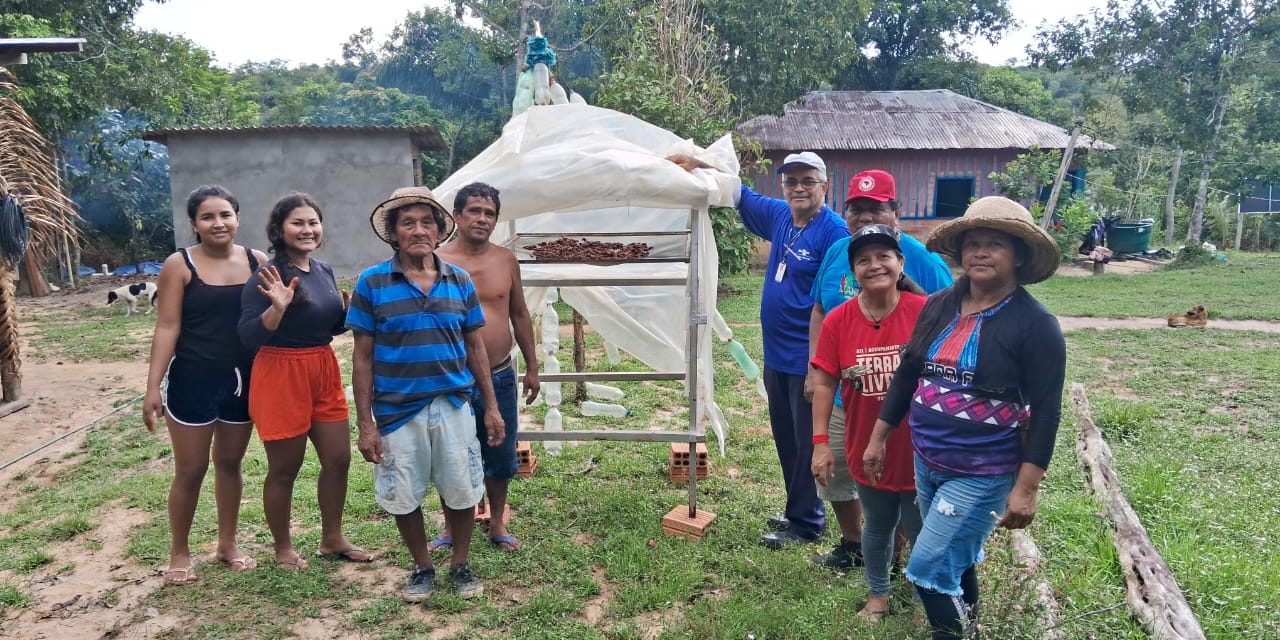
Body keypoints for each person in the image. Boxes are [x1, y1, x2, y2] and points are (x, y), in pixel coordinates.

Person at [863, 197, 1066, 640]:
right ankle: (968, 627)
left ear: (1019, 256)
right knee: (957, 558)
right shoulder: (939, 305)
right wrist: (879, 437)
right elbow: (908, 373)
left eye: (995, 243)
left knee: (926, 568)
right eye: (973, 243)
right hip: (928, 460)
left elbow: (1047, 411)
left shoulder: (1036, 325)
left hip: (982, 471)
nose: (981, 252)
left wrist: (1027, 489)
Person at [670, 151, 850, 548]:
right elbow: (736, 190)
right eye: (791, 181)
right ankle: (795, 509)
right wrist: (698, 163)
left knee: (807, 440)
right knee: (786, 437)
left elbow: (835, 306)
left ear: (825, 185)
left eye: (807, 181)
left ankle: (807, 523)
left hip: (808, 360)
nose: (798, 188)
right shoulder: (781, 216)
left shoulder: (835, 233)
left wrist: (817, 367)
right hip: (777, 354)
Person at [347, 186, 505, 601]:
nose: (418, 230)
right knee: (403, 493)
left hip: (454, 405)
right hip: (398, 410)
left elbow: (475, 347)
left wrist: (491, 406)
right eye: (407, 223)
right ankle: (422, 566)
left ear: (438, 231)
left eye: (426, 223)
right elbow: (362, 358)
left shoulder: (459, 281)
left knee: (462, 488)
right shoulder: (372, 282)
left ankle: (460, 564)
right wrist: (366, 424)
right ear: (393, 233)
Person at [805, 169, 952, 569]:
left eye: (876, 209)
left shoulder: (924, 262)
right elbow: (820, 308)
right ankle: (854, 543)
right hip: (840, 391)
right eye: (856, 209)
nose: (865, 217)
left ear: (896, 212)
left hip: (901, 401)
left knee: (896, 478)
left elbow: (947, 323)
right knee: (837, 471)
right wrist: (813, 368)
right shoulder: (839, 250)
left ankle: (895, 552)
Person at [238, 192, 370, 570]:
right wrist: (276, 310)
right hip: (280, 372)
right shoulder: (267, 275)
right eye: (298, 223)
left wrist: (346, 313)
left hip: (322, 367)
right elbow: (248, 336)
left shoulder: (323, 271)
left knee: (338, 459)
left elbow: (326, 327)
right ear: (279, 230)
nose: (307, 230)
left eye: (313, 222)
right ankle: (282, 548)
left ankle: (332, 538)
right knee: (285, 468)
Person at [142, 185, 267, 584]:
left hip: (243, 380)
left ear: (238, 218)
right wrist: (151, 388)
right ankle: (179, 552)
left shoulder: (257, 261)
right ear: (194, 223)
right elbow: (167, 326)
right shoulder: (178, 266)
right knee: (191, 468)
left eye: (225, 214)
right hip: (192, 379)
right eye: (208, 216)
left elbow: (271, 319)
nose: (219, 223)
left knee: (230, 463)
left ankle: (227, 543)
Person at [810, 224, 926, 622]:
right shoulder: (838, 320)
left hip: (919, 447)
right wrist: (821, 442)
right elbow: (824, 382)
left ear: (900, 263)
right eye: (863, 259)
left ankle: (919, 594)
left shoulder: (923, 312)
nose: (874, 265)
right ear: (851, 271)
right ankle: (878, 595)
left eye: (884, 256)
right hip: (865, 445)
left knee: (917, 525)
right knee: (876, 524)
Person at [432, 182, 540, 552]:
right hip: (451, 376)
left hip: (499, 372)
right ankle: (450, 528)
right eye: (474, 211)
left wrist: (533, 366)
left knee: (500, 451)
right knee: (451, 454)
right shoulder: (436, 260)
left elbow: (520, 314)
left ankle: (496, 522)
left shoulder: (505, 260)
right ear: (458, 216)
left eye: (489, 213)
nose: (482, 218)